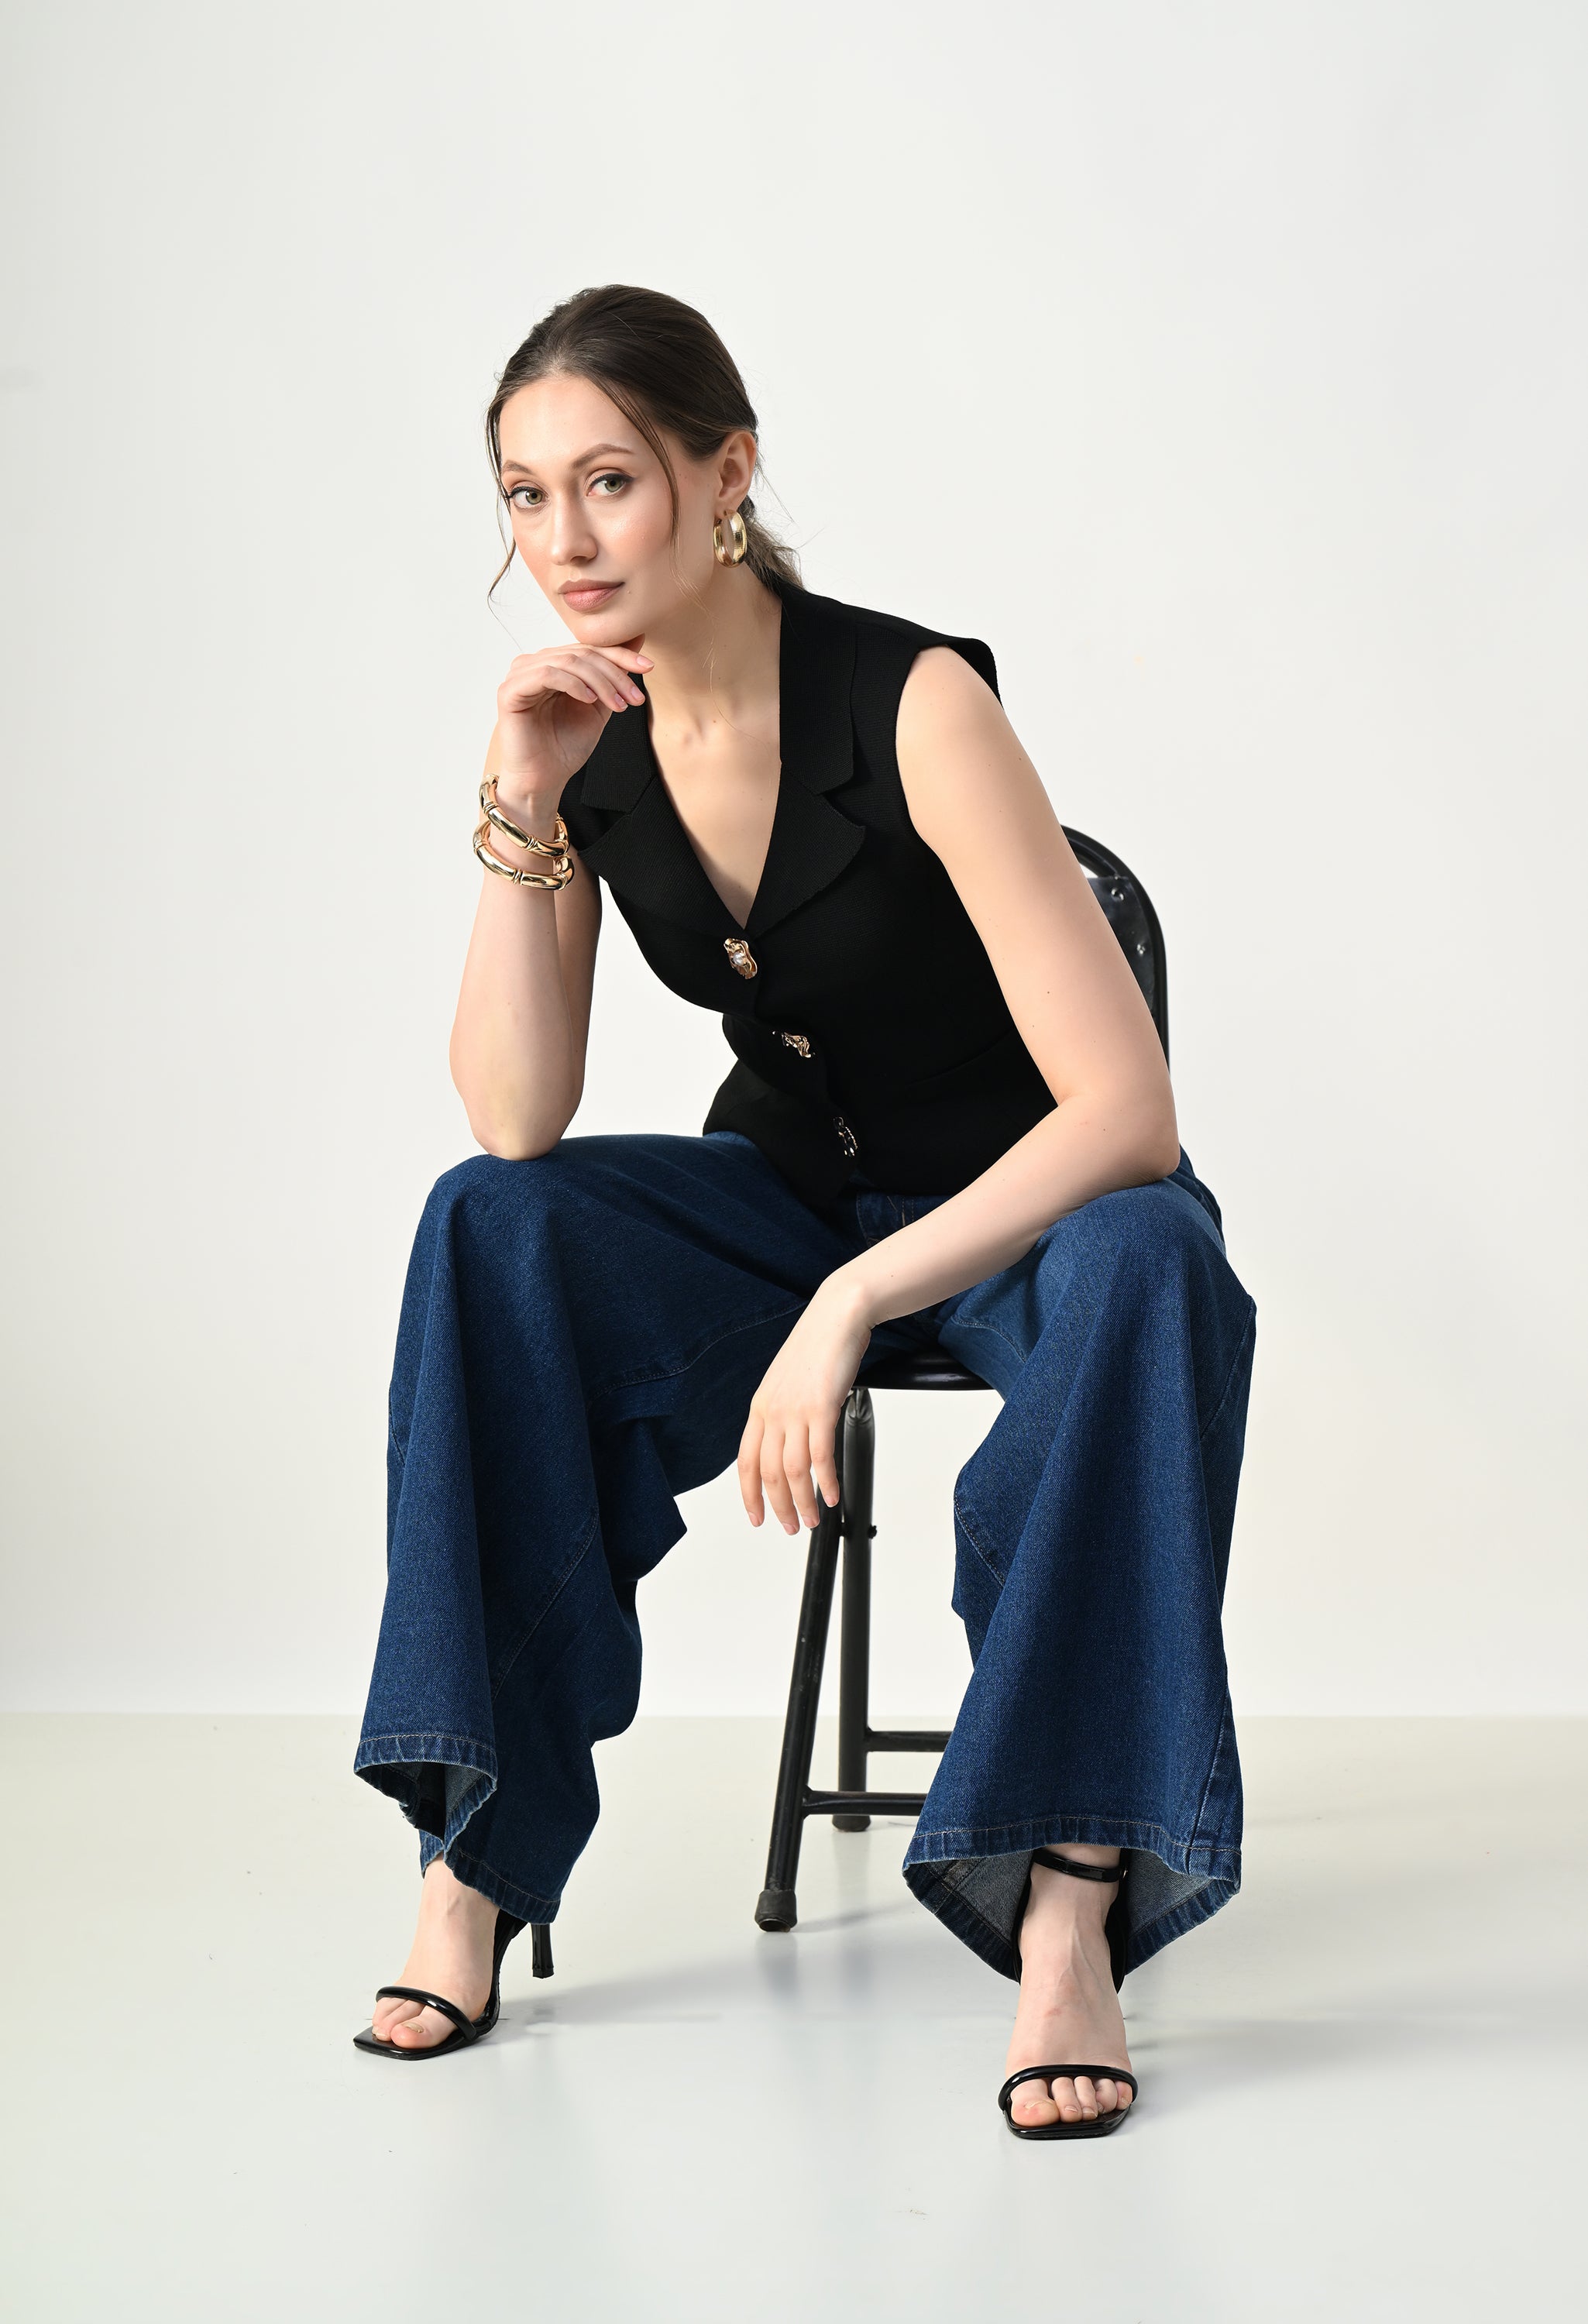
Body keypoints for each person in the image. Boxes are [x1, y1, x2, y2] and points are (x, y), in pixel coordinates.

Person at [352, 284, 1256, 2138]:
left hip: (1024, 1210)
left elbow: (1125, 1114)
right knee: (483, 1224)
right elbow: (517, 1117)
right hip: (784, 1193)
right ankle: (472, 1863)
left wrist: (846, 1308)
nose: (564, 538)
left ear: (725, 475)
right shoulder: (588, 737)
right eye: (524, 495)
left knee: (1158, 1264)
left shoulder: (911, 701)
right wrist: (520, 797)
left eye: (609, 480)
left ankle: (1064, 1908)